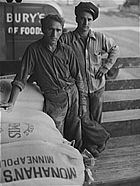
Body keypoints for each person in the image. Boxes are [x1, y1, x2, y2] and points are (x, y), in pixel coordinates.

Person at [0, 14, 87, 151]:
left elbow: (79, 78)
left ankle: (78, 161)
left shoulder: (67, 50)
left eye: (58, 30)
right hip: (54, 99)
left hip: (73, 94)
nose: (54, 34)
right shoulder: (33, 50)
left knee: (76, 128)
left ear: (62, 31)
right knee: (56, 134)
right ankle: (59, 162)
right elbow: (21, 78)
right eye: (50, 29)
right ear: (43, 29)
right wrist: (11, 102)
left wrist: (83, 102)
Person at [60, 2, 119, 155]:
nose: (85, 23)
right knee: (83, 118)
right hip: (80, 89)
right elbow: (56, 53)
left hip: (97, 86)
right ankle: (92, 143)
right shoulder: (67, 39)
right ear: (76, 19)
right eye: (82, 19)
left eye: (89, 19)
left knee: (96, 118)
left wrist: (105, 67)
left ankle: (95, 145)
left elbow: (115, 49)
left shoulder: (99, 38)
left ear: (92, 21)